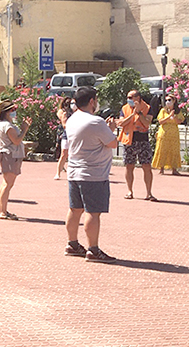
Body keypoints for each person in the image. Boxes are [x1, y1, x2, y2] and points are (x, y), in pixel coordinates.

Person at [65, 86, 119, 261]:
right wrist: (111, 128)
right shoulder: (96, 122)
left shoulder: (72, 119)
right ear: (91, 101)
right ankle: (93, 249)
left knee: (75, 209)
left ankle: (72, 243)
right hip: (94, 173)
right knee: (93, 212)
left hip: (74, 172)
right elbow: (112, 143)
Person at [0, 103, 31, 220]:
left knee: (6, 183)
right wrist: (24, 129)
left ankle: (2, 209)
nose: (15, 111)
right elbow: (16, 140)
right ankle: (2, 212)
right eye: (12, 110)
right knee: (7, 184)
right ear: (6, 112)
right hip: (10, 156)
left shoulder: (7, 124)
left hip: (11, 156)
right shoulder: (7, 126)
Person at [119, 89, 156, 201]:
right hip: (129, 140)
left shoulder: (147, 108)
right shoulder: (124, 108)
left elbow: (147, 123)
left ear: (138, 98)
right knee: (129, 166)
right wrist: (132, 115)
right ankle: (130, 191)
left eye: (131, 97)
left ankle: (149, 193)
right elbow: (121, 123)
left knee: (146, 166)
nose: (129, 100)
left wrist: (139, 113)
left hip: (143, 140)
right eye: (128, 97)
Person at [152, 95, 183, 175]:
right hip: (164, 133)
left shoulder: (177, 111)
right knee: (162, 149)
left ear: (174, 101)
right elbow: (161, 121)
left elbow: (180, 121)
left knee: (173, 150)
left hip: (173, 133)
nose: (167, 102)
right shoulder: (163, 110)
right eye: (166, 100)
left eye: (169, 100)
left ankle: (174, 169)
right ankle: (161, 168)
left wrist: (174, 117)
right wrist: (169, 116)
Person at [54, 95, 75, 180]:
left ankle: (72, 173)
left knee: (73, 154)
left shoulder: (76, 113)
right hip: (66, 134)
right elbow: (64, 125)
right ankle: (58, 173)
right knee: (63, 153)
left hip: (75, 135)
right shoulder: (64, 113)